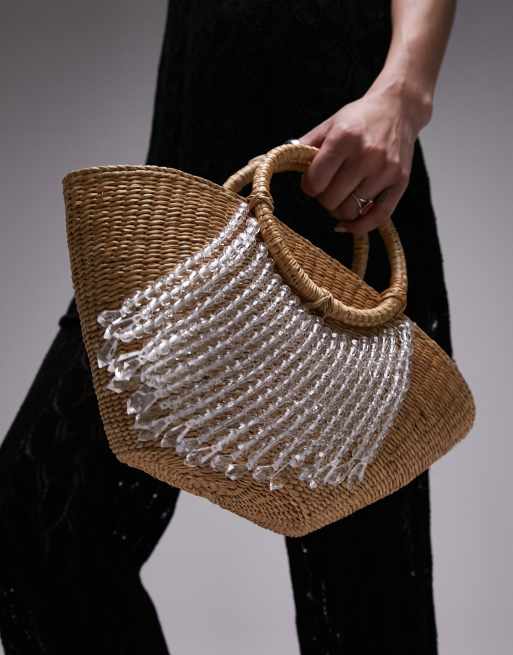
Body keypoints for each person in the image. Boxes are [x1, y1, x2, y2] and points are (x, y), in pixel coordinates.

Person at [0, 1, 458, 653]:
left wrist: (403, 95)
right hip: (190, 208)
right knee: (38, 524)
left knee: (365, 612)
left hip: (338, 175)